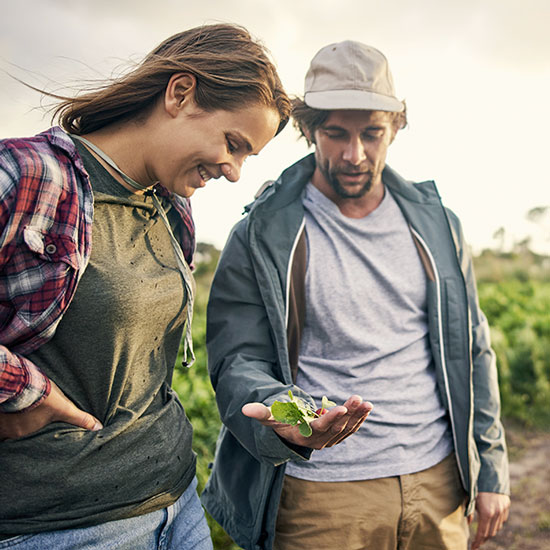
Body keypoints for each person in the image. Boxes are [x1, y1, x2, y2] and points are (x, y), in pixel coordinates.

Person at [201, 41, 510, 550]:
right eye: (335, 133)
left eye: (372, 134)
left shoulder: (439, 226)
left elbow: (472, 348)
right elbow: (238, 361)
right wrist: (287, 416)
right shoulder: (262, 234)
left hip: (438, 481)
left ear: (395, 128)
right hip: (321, 495)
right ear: (306, 130)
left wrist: (491, 467)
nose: (354, 154)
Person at [0, 23, 290, 550]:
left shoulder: (172, 210)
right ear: (180, 93)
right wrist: (20, 389)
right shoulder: (26, 174)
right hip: (59, 527)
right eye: (233, 144)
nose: (234, 172)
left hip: (177, 504)